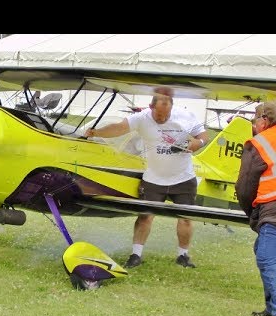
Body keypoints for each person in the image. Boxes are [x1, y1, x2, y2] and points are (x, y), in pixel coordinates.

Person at [84, 87, 208, 268]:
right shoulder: (141, 118)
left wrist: (199, 142)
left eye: (166, 115)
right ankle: (136, 255)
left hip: (183, 177)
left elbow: (203, 135)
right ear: (151, 107)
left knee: (185, 218)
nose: (163, 119)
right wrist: (97, 132)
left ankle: (183, 255)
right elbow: (119, 128)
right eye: (159, 115)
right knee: (145, 217)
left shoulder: (185, 116)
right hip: (153, 178)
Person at [235, 101, 276, 316]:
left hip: (272, 209)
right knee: (263, 250)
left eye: (254, 119)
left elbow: (245, 186)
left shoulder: (259, 143)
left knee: (267, 258)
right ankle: (271, 308)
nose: (253, 124)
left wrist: (252, 212)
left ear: (264, 121)